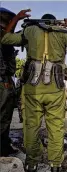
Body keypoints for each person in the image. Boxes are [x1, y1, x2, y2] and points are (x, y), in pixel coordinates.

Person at [1, 9, 67, 172]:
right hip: (56, 90)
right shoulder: (62, 33)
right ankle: (55, 165)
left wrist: (17, 18)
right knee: (56, 128)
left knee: (31, 128)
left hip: (32, 90)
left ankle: (32, 163)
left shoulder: (29, 31)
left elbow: (5, 38)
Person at [0, 7, 19, 157]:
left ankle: (4, 145)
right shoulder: (2, 36)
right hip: (3, 80)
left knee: (6, 116)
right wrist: (4, 78)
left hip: (7, 80)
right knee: (3, 116)